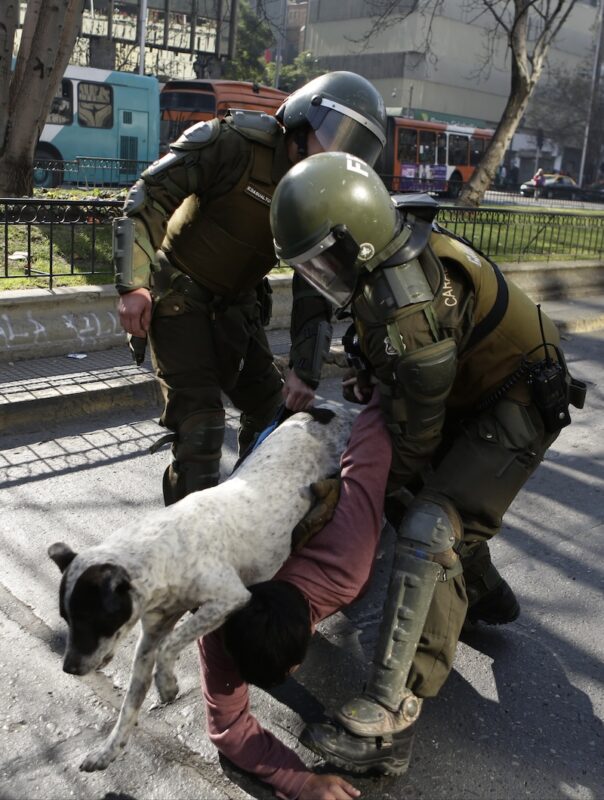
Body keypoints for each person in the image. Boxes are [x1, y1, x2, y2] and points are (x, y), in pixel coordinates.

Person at [269, 151, 586, 775]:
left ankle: (389, 717)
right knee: (413, 502)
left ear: (354, 244)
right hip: (476, 388)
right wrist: (371, 382)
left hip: (519, 401)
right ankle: (479, 592)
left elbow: (415, 434)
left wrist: (391, 475)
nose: (316, 275)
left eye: (322, 260)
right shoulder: (380, 260)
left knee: (429, 522)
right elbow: (391, 370)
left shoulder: (408, 302)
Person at [113, 71, 387, 505]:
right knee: (201, 426)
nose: (339, 153)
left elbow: (314, 286)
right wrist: (133, 285)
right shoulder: (232, 144)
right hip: (177, 299)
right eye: (335, 133)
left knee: (270, 416)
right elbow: (151, 195)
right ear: (301, 118)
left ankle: (240, 517)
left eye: (357, 147)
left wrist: (305, 369)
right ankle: (187, 548)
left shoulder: (322, 196)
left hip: (236, 310)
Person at [199, 391, 393, 800]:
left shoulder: (347, 563)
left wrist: (383, 390)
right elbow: (227, 730)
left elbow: (369, 456)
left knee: (427, 527)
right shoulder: (214, 616)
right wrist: (298, 780)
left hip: (335, 434)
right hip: (280, 464)